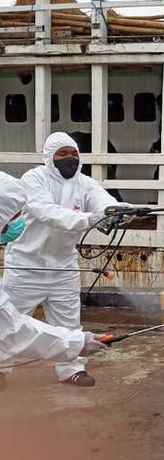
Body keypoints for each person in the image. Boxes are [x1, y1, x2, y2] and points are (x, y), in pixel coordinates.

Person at [2, 132, 119, 387]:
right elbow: (47, 212)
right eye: (62, 154)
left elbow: (103, 202)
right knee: (8, 322)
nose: (70, 159)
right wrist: (89, 219)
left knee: (69, 321)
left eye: (74, 154)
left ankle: (72, 370)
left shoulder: (84, 183)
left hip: (63, 266)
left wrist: (117, 211)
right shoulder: (34, 179)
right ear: (49, 157)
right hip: (26, 265)